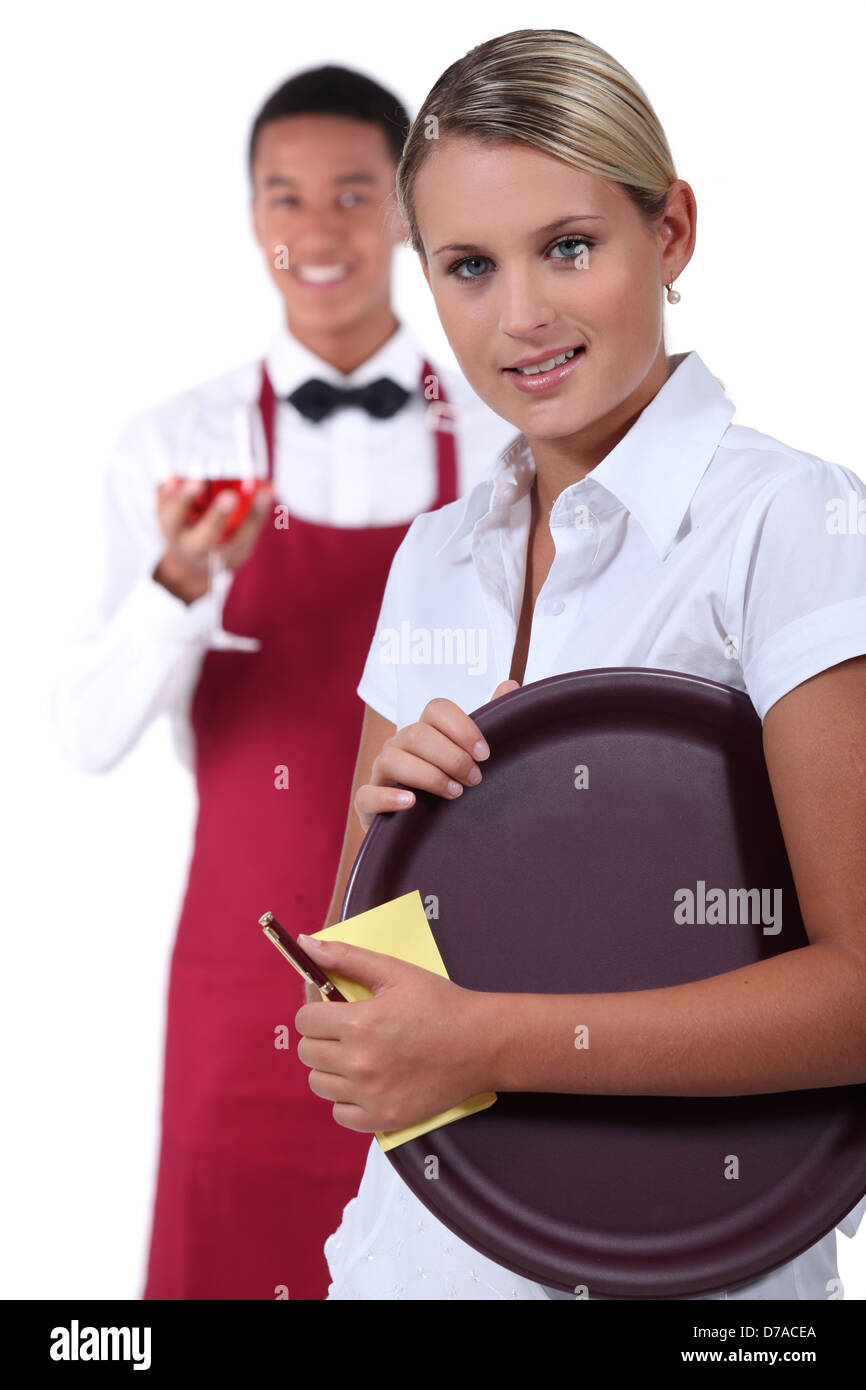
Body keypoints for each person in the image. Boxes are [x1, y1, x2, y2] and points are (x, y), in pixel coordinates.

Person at [293, 29, 866, 1300]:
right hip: (405, 1260)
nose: (522, 317)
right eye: (467, 267)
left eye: (568, 247)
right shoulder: (434, 556)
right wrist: (395, 849)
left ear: (669, 234)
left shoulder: (793, 527)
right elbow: (355, 962)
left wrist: (482, 1038)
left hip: (685, 1280)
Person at [53, 64, 517, 1300]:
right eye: (285, 198)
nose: (317, 233)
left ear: (407, 214)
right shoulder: (176, 444)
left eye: (354, 195)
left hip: (456, 961)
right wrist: (179, 584)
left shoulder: (498, 435)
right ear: (253, 213)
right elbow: (86, 735)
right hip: (239, 959)